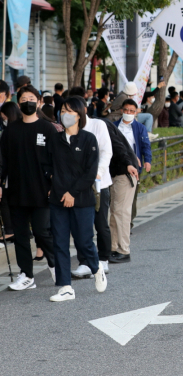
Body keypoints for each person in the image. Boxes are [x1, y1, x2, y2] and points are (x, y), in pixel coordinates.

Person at [48, 96, 107, 301]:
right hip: (58, 200)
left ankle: (96, 267)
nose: (65, 114)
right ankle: (65, 287)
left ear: (80, 115)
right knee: (60, 243)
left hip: (81, 199)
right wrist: (56, 189)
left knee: (83, 241)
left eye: (70, 111)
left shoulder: (88, 139)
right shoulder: (55, 139)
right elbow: (48, 167)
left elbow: (90, 173)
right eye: (63, 110)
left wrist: (72, 193)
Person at [2, 85, 57, 290]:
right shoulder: (11, 130)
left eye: (32, 98)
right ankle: (26, 275)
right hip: (16, 191)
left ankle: (55, 265)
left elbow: (56, 160)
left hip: (42, 191)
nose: (28, 102)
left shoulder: (47, 128)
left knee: (43, 231)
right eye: (24, 99)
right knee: (21, 235)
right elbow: (4, 160)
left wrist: (55, 185)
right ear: (18, 103)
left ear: (39, 101)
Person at [66, 86, 114, 278]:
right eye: (66, 111)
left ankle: (103, 259)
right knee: (80, 225)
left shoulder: (98, 125)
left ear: (83, 110)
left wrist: (98, 172)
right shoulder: (67, 130)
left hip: (98, 184)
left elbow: (106, 151)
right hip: (76, 187)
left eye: (73, 110)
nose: (69, 114)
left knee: (100, 223)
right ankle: (85, 261)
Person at [113, 99, 151, 257]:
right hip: (113, 171)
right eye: (126, 110)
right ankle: (114, 246)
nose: (128, 113)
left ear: (137, 112)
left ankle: (122, 248)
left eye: (132, 111)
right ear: (121, 110)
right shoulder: (114, 126)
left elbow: (145, 145)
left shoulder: (139, 127)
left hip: (131, 171)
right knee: (115, 211)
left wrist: (147, 160)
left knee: (122, 210)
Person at [0, 102, 21, 244]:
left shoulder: (9, 132)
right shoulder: (19, 128)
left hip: (11, 173)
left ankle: (10, 231)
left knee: (6, 202)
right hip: (18, 174)